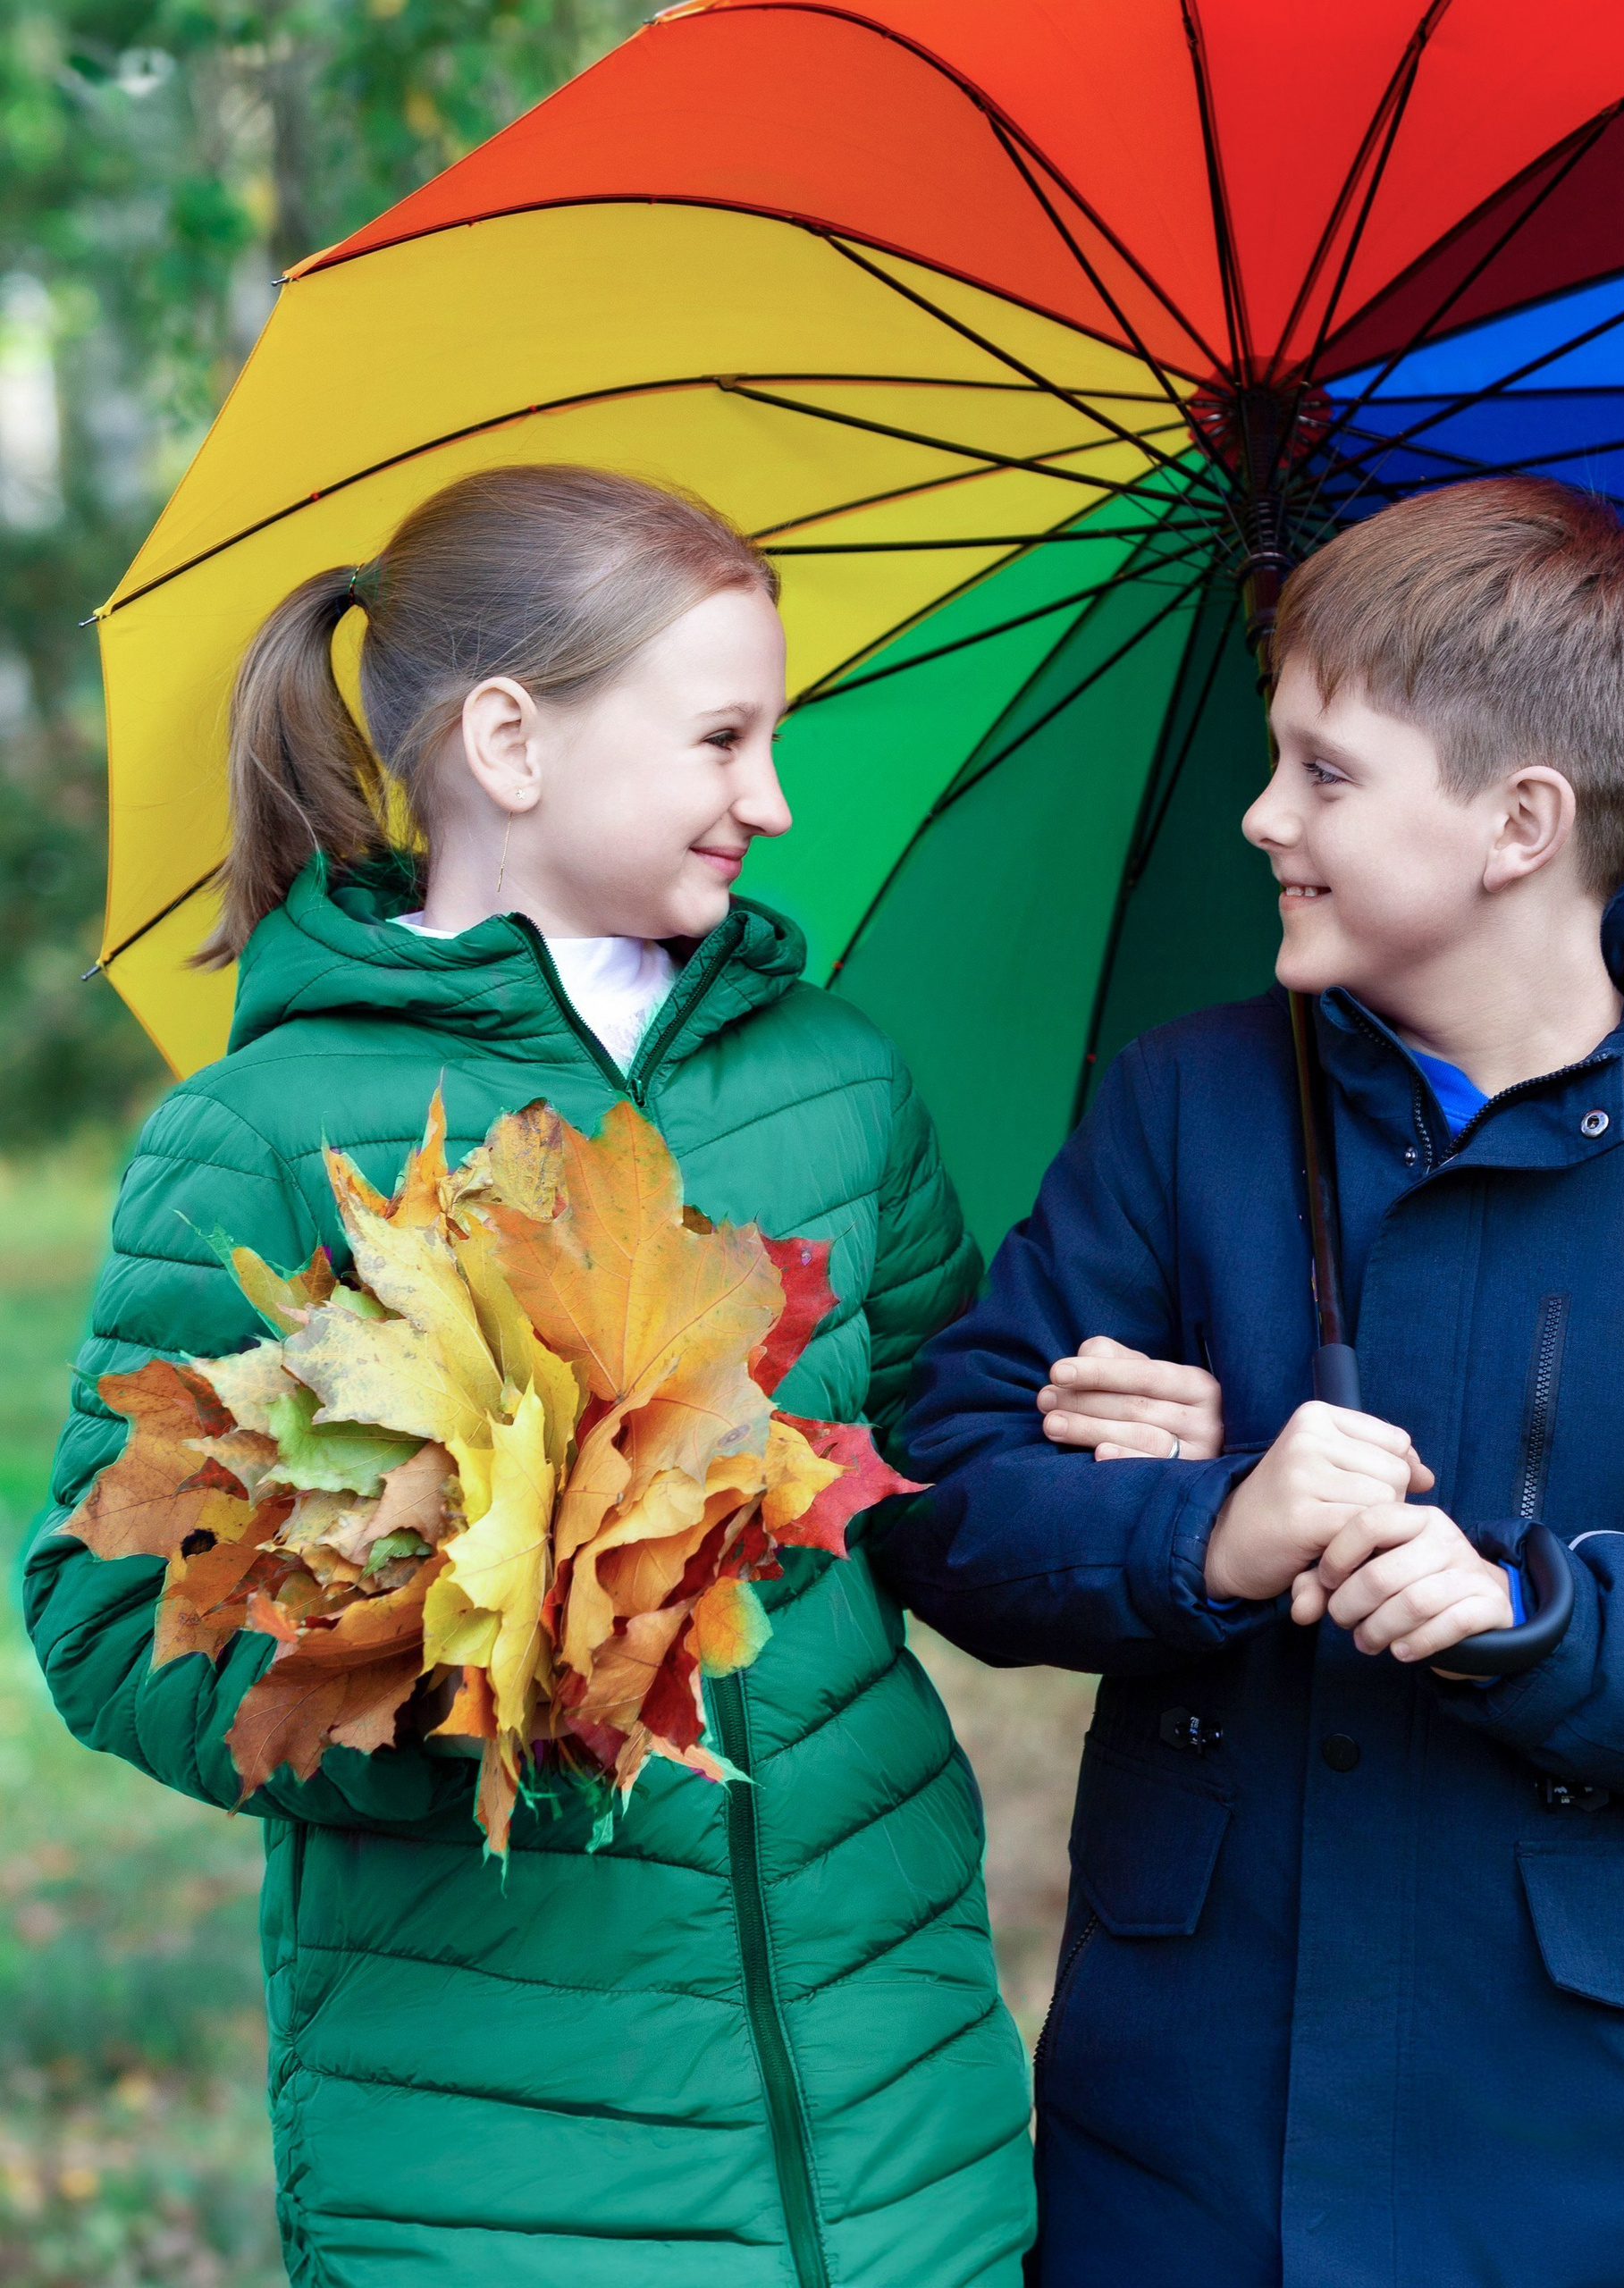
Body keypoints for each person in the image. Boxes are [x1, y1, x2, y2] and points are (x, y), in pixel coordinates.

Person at [882, 478, 1624, 2285]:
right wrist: (1208, 1526)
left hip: (1590, 2176)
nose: (1259, 816)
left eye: (1322, 772)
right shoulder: (1188, 1107)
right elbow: (946, 1497)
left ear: (1514, 821)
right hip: (1187, 2162)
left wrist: (1531, 1613)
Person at [21, 466, 1033, 2287]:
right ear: (509, 738)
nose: (772, 797)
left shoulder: (838, 1077)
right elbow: (103, 1612)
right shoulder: (260, 1134)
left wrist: (1087, 1446)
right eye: (722, 735)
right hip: (500, 2170)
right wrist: (462, 1691)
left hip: (897, 2135)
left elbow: (945, 1470)